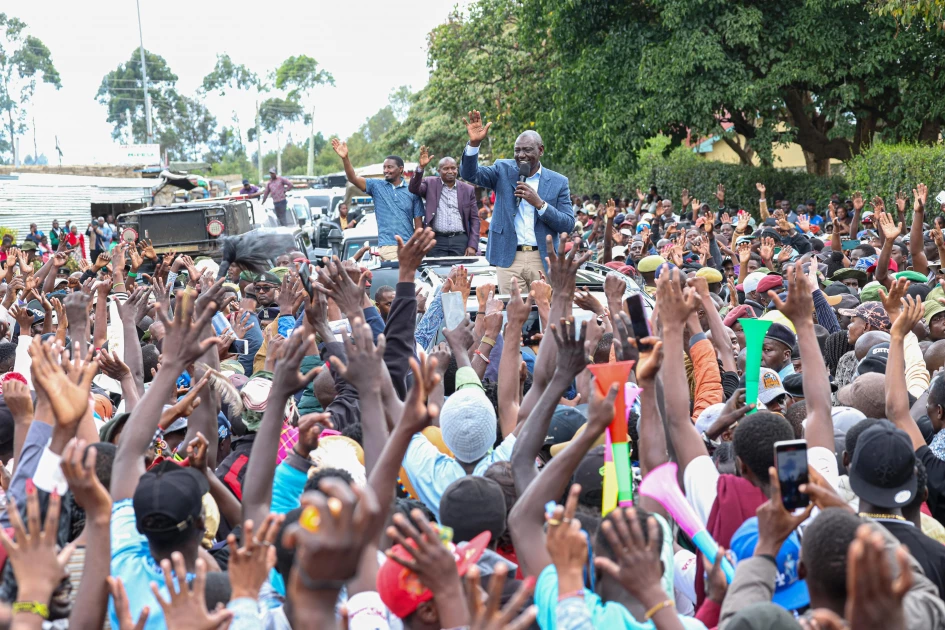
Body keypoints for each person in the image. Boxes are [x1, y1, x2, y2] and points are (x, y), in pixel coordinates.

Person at [459, 110, 574, 293]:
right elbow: (469, 174)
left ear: (541, 150)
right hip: (509, 258)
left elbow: (568, 224)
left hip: (543, 258)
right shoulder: (502, 170)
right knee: (513, 315)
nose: (521, 155)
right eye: (517, 150)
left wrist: (540, 204)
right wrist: (474, 143)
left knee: (545, 314)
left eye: (527, 150)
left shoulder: (559, 182)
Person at [332, 138, 424, 261]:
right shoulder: (376, 186)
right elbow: (353, 178)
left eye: (390, 167)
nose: (386, 170)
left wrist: (417, 248)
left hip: (409, 247)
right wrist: (345, 158)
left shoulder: (412, 190)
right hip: (387, 248)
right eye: (384, 167)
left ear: (400, 169)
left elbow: (418, 226)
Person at [409, 146, 480, 257]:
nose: (450, 171)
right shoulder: (430, 183)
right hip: (436, 240)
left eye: (453, 168)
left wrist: (472, 245)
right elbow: (413, 188)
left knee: (460, 272)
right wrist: (420, 168)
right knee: (437, 272)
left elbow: (475, 219)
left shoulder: (468, 189)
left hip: (460, 240)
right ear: (439, 171)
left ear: (457, 169)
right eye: (446, 168)